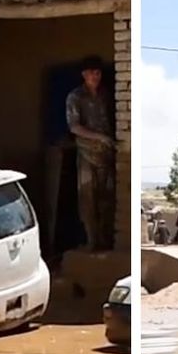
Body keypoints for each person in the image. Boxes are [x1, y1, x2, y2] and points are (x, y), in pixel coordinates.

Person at [66, 54, 116, 251]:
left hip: (106, 156)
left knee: (106, 201)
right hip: (87, 154)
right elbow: (74, 127)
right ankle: (91, 241)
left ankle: (104, 241)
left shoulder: (105, 95)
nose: (95, 76)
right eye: (91, 73)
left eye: (98, 73)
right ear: (84, 75)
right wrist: (100, 137)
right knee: (88, 200)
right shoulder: (76, 97)